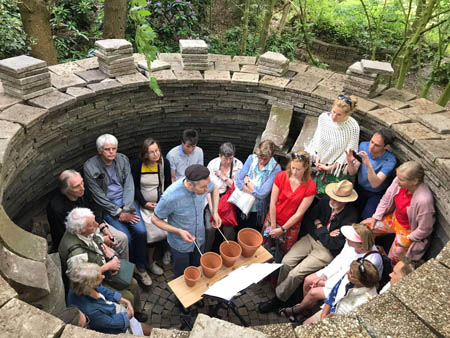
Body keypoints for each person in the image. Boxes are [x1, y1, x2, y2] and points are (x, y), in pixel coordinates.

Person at [258, 179, 358, 314]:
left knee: (296, 273)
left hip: (327, 251)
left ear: (346, 201)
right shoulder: (325, 201)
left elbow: (334, 244)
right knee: (287, 261)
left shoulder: (351, 216)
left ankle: (278, 299)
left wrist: (319, 225)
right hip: (312, 238)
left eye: (337, 200)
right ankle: (283, 292)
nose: (332, 202)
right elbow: (309, 220)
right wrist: (323, 231)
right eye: (332, 197)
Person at [83, 134, 151, 287]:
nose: (111, 152)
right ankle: (130, 267)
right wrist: (119, 212)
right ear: (100, 150)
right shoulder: (90, 167)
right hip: (109, 206)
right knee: (126, 237)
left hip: (126, 201)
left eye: (114, 149)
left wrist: (126, 209)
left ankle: (141, 267)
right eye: (107, 149)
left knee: (140, 231)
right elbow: (97, 195)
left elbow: (129, 184)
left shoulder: (122, 159)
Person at [58, 207, 147, 323]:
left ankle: (137, 311)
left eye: (95, 220)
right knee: (128, 296)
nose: (96, 224)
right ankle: (129, 318)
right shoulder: (76, 256)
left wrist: (103, 241)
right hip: (93, 282)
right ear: (80, 230)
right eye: (91, 224)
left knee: (133, 283)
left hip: (101, 268)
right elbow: (80, 280)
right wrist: (108, 266)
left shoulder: (80, 231)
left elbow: (92, 237)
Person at [279, 224, 383, 322]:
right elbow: (339, 260)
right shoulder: (350, 244)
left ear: (360, 243)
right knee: (308, 280)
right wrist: (324, 276)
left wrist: (325, 283)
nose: (346, 238)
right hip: (338, 274)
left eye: (350, 238)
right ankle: (307, 310)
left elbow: (351, 281)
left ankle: (299, 309)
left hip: (349, 286)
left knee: (313, 292)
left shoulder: (371, 260)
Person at [151, 164, 222, 279]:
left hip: (200, 238)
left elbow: (214, 188)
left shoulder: (204, 184)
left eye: (207, 186)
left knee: (198, 269)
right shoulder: (170, 196)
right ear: (190, 184)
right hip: (180, 244)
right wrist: (178, 231)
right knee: (182, 275)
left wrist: (215, 212)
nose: (206, 189)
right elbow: (155, 219)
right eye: (203, 187)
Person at [362, 161, 435, 264]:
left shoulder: (424, 200)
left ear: (414, 181)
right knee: (366, 227)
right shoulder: (398, 182)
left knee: (393, 259)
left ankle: (384, 270)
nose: (397, 181)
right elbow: (386, 199)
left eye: (401, 179)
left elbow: (425, 228)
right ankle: (364, 254)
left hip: (408, 230)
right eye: (397, 177)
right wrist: (375, 217)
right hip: (394, 218)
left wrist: (410, 238)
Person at [47, 170, 128, 259]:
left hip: (93, 225)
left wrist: (103, 227)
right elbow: (67, 237)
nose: (82, 188)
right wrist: (100, 241)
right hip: (79, 238)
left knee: (122, 238)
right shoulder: (57, 209)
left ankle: (126, 269)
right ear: (66, 190)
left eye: (82, 183)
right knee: (112, 255)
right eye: (77, 186)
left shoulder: (84, 190)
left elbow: (95, 208)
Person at [67, 263, 152, 335]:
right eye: (99, 278)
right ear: (90, 285)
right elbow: (111, 324)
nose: (103, 277)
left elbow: (101, 289)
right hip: (116, 325)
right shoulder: (91, 312)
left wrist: (122, 299)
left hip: (111, 310)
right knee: (142, 330)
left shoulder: (80, 285)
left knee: (142, 327)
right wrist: (127, 316)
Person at [131, 138, 171, 275]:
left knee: (170, 226)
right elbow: (134, 187)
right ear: (145, 154)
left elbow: (168, 185)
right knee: (151, 233)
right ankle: (150, 261)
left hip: (161, 203)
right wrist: (144, 203)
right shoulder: (138, 165)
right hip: (145, 206)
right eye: (152, 152)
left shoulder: (164, 164)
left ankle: (167, 251)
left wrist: (162, 203)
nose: (156, 154)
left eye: (157, 150)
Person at [305, 94, 360, 194]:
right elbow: (317, 138)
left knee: (330, 195)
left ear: (347, 114)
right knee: (312, 191)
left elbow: (349, 152)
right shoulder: (323, 118)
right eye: (333, 112)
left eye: (339, 114)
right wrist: (317, 157)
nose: (334, 117)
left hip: (337, 170)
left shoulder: (353, 127)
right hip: (320, 163)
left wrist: (331, 167)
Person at [303, 256, 380, 325]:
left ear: (360, 281)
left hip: (340, 323)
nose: (347, 273)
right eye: (350, 270)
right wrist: (323, 316)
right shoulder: (348, 277)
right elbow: (333, 294)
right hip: (330, 311)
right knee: (305, 324)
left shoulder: (368, 300)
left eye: (351, 273)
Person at [346, 128, 397, 220]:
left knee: (366, 217)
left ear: (386, 147)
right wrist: (350, 162)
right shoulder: (363, 146)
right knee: (349, 211)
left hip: (376, 193)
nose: (371, 147)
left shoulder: (390, 160)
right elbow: (352, 172)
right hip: (359, 187)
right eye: (371, 142)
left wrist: (369, 166)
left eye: (377, 145)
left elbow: (375, 184)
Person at [235, 140, 281, 231]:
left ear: (271, 156)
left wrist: (247, 182)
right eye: (260, 158)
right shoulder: (251, 158)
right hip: (242, 203)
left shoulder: (276, 168)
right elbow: (238, 180)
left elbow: (262, 194)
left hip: (256, 210)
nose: (262, 161)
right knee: (238, 229)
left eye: (265, 159)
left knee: (250, 233)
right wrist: (254, 190)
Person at [205, 142, 243, 246]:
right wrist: (213, 210)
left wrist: (223, 176)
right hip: (213, 198)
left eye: (230, 158)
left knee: (228, 230)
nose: (228, 161)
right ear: (220, 156)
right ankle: (207, 252)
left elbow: (237, 186)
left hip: (229, 199)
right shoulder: (212, 165)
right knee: (210, 228)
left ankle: (227, 251)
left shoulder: (238, 165)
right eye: (225, 159)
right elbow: (207, 189)